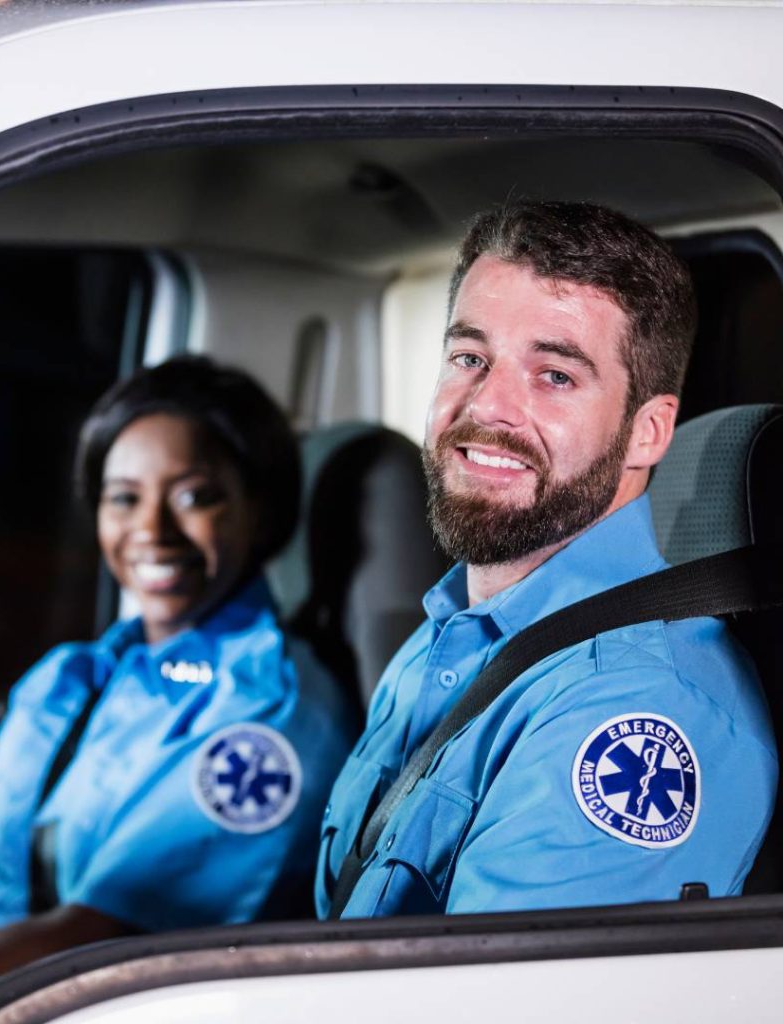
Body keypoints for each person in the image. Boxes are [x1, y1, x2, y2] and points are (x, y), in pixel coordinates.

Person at [316, 200, 778, 920]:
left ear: (647, 433)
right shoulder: (445, 633)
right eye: (470, 357)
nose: (488, 405)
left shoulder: (634, 710)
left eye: (555, 375)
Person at [0, 355, 354, 1012]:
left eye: (193, 496)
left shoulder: (264, 716)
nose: (150, 531)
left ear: (261, 512)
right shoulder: (70, 677)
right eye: (124, 497)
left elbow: (85, 947)